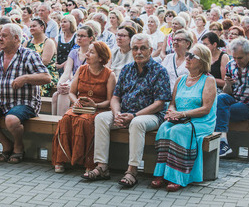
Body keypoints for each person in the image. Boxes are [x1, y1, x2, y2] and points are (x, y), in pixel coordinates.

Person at [82, 34, 171, 188]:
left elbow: (159, 103)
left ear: (150, 50)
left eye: (143, 48)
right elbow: (115, 97)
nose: (138, 52)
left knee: (136, 123)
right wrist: (116, 114)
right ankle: (102, 166)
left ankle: (132, 170)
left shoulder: (159, 71)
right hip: (125, 112)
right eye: (135, 48)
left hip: (151, 116)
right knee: (101, 118)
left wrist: (134, 115)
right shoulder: (127, 69)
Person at [0, 24, 51, 164]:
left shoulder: (28, 55)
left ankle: (18, 147)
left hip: (24, 102)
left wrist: (25, 78)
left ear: (16, 38)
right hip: (1, 102)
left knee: (11, 119)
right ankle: (6, 145)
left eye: (4, 36)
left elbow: (46, 77)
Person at [151, 44, 217, 192]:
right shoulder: (180, 79)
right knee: (164, 128)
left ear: (202, 61)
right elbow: (173, 104)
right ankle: (161, 173)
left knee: (178, 131)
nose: (187, 58)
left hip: (200, 121)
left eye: (192, 56)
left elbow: (206, 108)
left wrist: (182, 114)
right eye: (188, 54)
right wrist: (171, 112)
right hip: (180, 118)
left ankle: (177, 176)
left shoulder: (208, 80)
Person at [52, 42, 116, 173]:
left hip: (98, 108)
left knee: (84, 122)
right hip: (79, 105)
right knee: (65, 119)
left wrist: (95, 105)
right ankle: (61, 159)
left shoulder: (109, 75)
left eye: (91, 52)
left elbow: (110, 101)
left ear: (100, 58)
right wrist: (76, 102)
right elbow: (71, 92)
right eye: (88, 51)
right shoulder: (81, 70)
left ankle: (88, 162)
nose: (87, 54)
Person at [216, 37, 249, 156]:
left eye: (240, 58)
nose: (237, 61)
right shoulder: (231, 64)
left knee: (223, 112)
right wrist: (228, 84)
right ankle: (223, 140)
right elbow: (227, 91)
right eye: (234, 57)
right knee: (219, 99)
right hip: (234, 99)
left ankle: (221, 141)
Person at [52, 25, 95, 116]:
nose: (79, 38)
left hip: (86, 84)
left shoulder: (93, 53)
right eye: (78, 35)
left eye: (82, 36)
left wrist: (69, 86)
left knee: (64, 94)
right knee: (56, 94)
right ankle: (55, 124)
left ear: (90, 38)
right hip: (72, 82)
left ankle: (61, 123)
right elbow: (67, 72)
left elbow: (88, 75)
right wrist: (60, 84)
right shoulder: (74, 52)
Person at [25, 18, 59, 96]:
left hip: (45, 73)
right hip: (29, 72)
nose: (31, 28)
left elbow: (44, 62)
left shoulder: (48, 42)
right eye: (30, 27)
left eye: (34, 26)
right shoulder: (27, 43)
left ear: (42, 27)